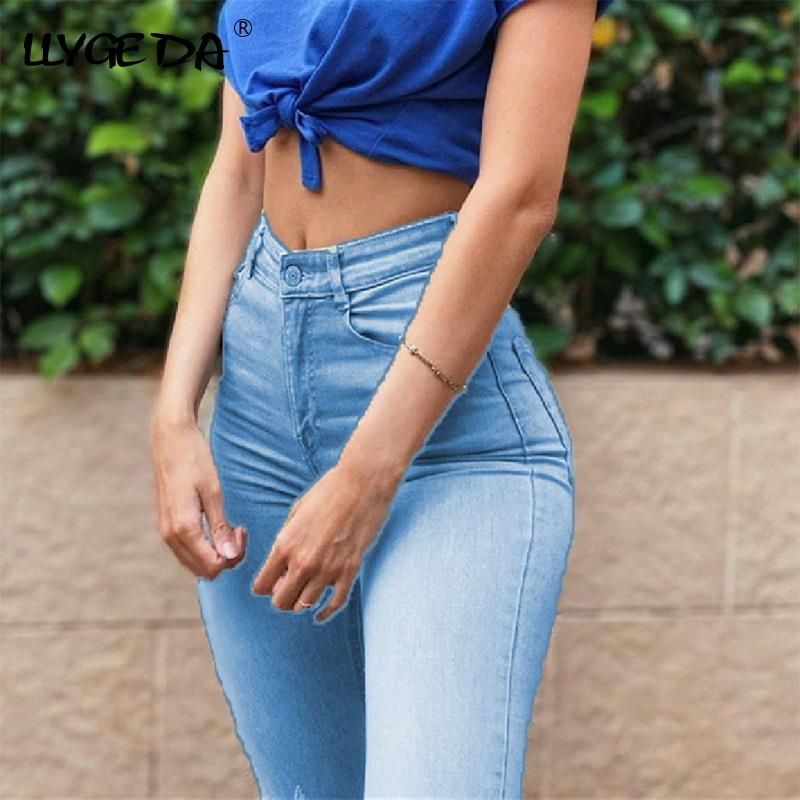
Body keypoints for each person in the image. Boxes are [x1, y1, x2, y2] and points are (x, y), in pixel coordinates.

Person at [148, 0, 616, 797]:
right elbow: (238, 166)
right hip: (256, 405)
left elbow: (520, 196)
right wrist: (174, 414)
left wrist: (368, 473)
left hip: (446, 435)